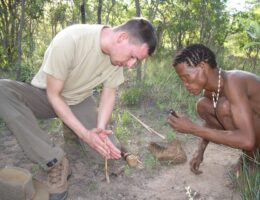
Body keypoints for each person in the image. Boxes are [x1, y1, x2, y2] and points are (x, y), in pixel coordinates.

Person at [0, 18, 157, 200]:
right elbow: (54, 95)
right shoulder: (71, 40)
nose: (131, 65)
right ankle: (55, 161)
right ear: (122, 38)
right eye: (133, 57)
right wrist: (84, 133)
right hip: (46, 96)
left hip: (78, 101)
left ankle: (71, 131)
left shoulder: (117, 58)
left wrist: (100, 129)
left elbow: (109, 93)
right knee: (2, 90)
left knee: (107, 152)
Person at [168, 44, 260, 175]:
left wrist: (192, 128)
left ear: (202, 67)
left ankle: (250, 160)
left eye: (186, 77)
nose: (185, 84)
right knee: (203, 106)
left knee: (223, 108)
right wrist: (200, 151)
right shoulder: (212, 89)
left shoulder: (233, 82)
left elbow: (247, 140)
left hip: (252, 137)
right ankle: (250, 157)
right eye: (182, 80)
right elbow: (210, 122)